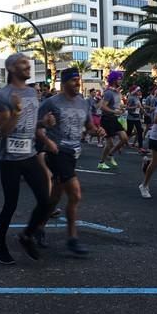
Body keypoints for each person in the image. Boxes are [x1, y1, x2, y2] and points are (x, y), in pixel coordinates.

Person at [0, 53, 53, 265]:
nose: (28, 67)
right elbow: (4, 130)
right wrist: (16, 113)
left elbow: (32, 125)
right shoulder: (3, 96)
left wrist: (44, 122)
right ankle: (0, 244)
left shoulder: (32, 92)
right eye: (23, 64)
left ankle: (27, 235)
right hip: (10, 159)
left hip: (30, 154)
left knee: (46, 201)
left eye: (28, 64)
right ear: (11, 68)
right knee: (11, 204)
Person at [38, 67, 106, 254]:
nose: (77, 83)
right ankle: (72, 238)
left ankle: (38, 227)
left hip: (74, 153)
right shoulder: (51, 103)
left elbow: (89, 126)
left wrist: (97, 131)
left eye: (79, 79)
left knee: (55, 196)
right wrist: (47, 141)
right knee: (75, 194)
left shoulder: (83, 103)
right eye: (73, 80)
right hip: (58, 152)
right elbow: (36, 126)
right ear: (63, 82)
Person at [97, 71, 128, 170]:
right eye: (119, 78)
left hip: (114, 118)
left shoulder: (116, 92)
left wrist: (122, 108)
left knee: (124, 139)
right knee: (109, 143)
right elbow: (103, 107)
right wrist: (114, 111)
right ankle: (101, 162)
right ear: (114, 80)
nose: (121, 80)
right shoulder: (109, 93)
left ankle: (111, 154)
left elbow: (116, 105)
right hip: (107, 119)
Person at [126, 86, 145, 152]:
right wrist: (134, 107)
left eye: (139, 91)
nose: (139, 92)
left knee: (140, 131)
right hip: (131, 118)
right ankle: (123, 141)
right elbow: (127, 108)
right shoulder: (130, 98)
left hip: (137, 117)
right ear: (134, 91)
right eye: (138, 91)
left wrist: (143, 111)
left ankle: (141, 147)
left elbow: (140, 107)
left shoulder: (137, 98)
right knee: (129, 132)